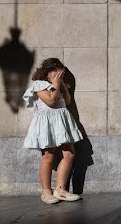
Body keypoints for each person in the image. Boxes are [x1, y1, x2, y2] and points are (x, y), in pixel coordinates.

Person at [22, 58, 83, 204]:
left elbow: (67, 101)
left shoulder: (59, 85)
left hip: (61, 121)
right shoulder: (39, 85)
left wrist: (62, 86)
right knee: (48, 156)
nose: (60, 74)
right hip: (47, 123)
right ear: (47, 72)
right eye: (57, 71)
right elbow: (50, 101)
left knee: (69, 153)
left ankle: (60, 189)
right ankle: (46, 192)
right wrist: (55, 85)